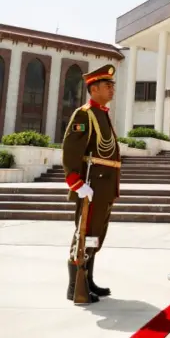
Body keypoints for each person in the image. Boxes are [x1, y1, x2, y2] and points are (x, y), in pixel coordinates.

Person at [63, 64, 121, 304]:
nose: (112, 90)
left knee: (96, 234)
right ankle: (74, 285)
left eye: (112, 86)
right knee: (84, 234)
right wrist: (76, 183)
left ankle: (88, 279)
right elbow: (70, 150)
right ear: (94, 88)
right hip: (91, 186)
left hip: (104, 187)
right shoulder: (84, 114)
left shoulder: (102, 113)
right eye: (108, 86)